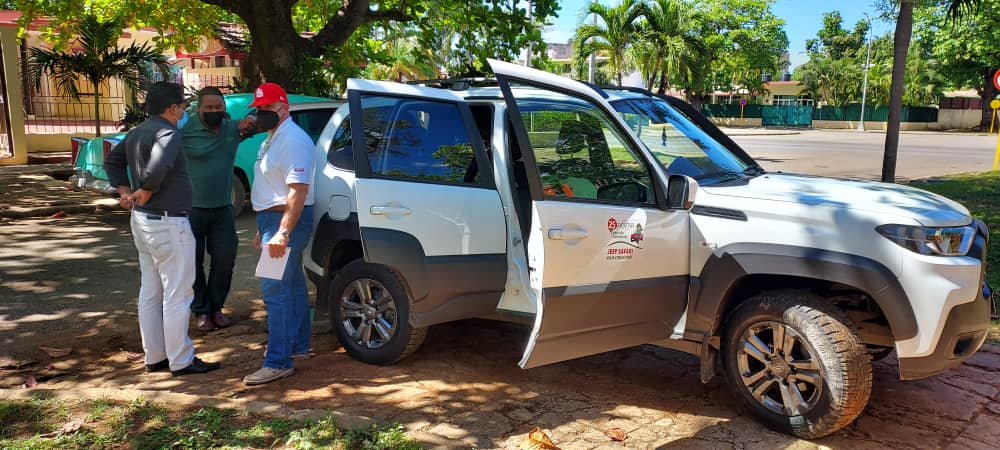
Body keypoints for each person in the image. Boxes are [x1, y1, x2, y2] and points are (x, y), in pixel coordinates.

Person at [105, 81, 221, 377]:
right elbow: (160, 164)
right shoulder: (169, 133)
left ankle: (155, 356)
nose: (184, 111)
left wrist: (124, 190)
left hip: (143, 221)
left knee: (151, 291)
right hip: (168, 221)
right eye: (183, 106)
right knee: (178, 294)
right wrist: (145, 189)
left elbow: (113, 160)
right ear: (172, 108)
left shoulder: (137, 132)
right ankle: (181, 359)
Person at [243, 83, 315, 385]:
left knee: (275, 292)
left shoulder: (294, 140)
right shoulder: (272, 138)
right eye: (258, 109)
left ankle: (278, 361)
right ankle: (298, 346)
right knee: (293, 285)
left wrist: (282, 232)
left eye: (268, 108)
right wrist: (266, 228)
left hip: (285, 221)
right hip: (272, 220)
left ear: (284, 107)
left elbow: (298, 191)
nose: (261, 114)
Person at [181, 87, 253, 332]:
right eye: (209, 108)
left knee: (225, 259)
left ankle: (216, 307)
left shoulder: (233, 128)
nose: (214, 111)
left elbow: (263, 122)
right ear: (198, 108)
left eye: (218, 107)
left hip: (223, 208)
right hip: (191, 209)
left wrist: (251, 120)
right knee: (193, 262)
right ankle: (200, 311)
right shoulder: (185, 130)